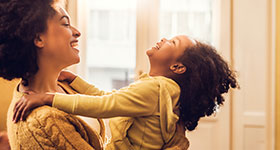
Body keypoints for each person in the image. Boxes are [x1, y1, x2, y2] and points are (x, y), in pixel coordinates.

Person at [13, 35, 238, 149]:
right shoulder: (161, 89)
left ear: (177, 67)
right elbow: (110, 98)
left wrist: (49, 98)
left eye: (172, 41)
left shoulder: (156, 89)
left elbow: (105, 106)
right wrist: (77, 81)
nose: (163, 39)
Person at [0, 0, 105, 149]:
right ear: (38, 39)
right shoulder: (43, 122)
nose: (77, 32)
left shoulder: (63, 85)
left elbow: (108, 104)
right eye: (65, 24)